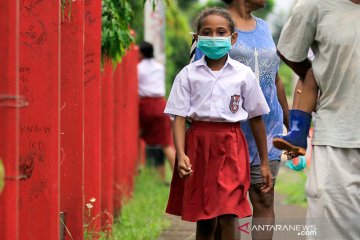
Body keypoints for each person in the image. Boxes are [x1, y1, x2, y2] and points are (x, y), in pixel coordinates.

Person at [164, 7, 273, 240]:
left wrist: (264, 162)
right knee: (204, 218)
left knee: (229, 213)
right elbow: (179, 117)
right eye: (207, 32)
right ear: (197, 37)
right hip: (198, 147)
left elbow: (256, 118)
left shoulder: (243, 75)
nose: (214, 38)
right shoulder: (188, 74)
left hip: (232, 146)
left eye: (221, 32)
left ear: (233, 38)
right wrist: (181, 154)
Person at [192, 1, 290, 239]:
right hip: (225, 134)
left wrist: (291, 122)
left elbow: (275, 78)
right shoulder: (215, 28)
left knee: (265, 198)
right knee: (223, 209)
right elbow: (197, 80)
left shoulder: (264, 27)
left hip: (266, 130)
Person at [276, 0, 360, 238]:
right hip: (337, 140)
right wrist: (318, 76)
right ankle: (297, 135)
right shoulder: (315, 5)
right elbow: (290, 51)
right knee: (333, 233)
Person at [137, 41, 175, 181]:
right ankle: (178, 176)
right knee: (165, 143)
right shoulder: (159, 67)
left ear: (141, 53)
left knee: (139, 137)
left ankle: (136, 170)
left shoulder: (138, 68)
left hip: (144, 106)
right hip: (160, 105)